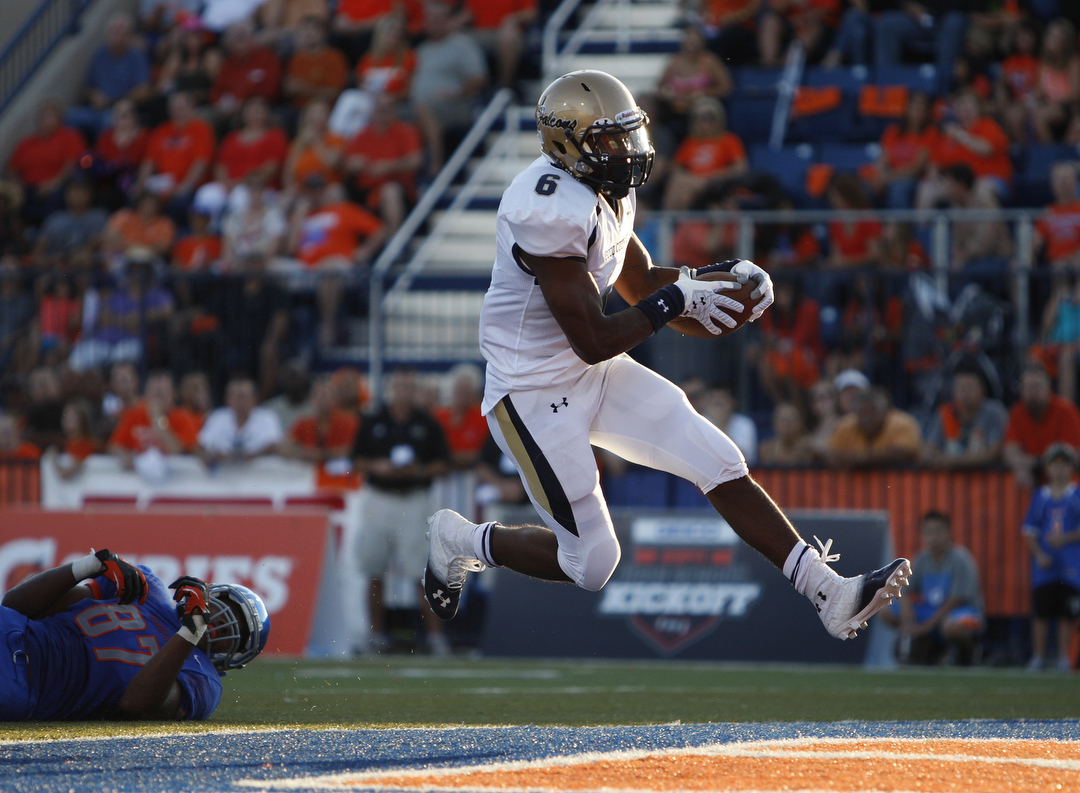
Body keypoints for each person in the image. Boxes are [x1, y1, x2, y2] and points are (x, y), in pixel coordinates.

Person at [419, 69, 910, 645]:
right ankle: (461, 540)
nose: (626, 151)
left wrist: (721, 282)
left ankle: (829, 593)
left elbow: (642, 284)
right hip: (529, 394)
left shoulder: (607, 194)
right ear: (567, 143)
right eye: (609, 139)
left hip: (588, 372)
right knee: (593, 562)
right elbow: (597, 335)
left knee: (717, 456)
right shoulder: (543, 207)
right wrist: (681, 296)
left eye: (628, 135)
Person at [0, 548, 269, 720]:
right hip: (12, 626)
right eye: (228, 608)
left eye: (239, 631)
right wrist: (88, 566)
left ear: (235, 655)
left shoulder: (205, 681)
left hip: (26, 682)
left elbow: (137, 703)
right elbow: (17, 605)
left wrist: (191, 633)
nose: (225, 621)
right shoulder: (147, 589)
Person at [352, 368, 452, 656]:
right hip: (379, 498)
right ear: (392, 389)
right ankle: (375, 635)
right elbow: (356, 460)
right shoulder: (373, 421)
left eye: (410, 387)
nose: (404, 392)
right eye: (400, 386)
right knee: (373, 569)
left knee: (422, 571)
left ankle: (435, 638)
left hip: (414, 498)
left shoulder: (428, 424)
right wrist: (378, 466)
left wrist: (418, 470)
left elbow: (443, 464)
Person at [884, 510, 985, 666]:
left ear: (949, 533)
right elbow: (903, 590)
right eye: (928, 532)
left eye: (938, 531)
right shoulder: (921, 559)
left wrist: (925, 627)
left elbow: (956, 600)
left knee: (950, 626)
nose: (933, 537)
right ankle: (925, 646)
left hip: (961, 612)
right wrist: (907, 616)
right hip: (932, 612)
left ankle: (969, 652)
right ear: (922, 535)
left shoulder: (961, 559)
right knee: (886, 611)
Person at [1022, 442, 1080, 672]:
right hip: (1045, 566)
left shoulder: (1076, 495)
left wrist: (1065, 538)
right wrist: (1039, 554)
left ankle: (1064, 657)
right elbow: (1029, 530)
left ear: (1071, 467)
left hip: (1071, 565)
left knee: (1066, 614)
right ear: (1047, 468)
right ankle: (1038, 656)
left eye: (1063, 465)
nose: (1059, 470)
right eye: (1054, 464)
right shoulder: (1041, 496)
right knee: (1042, 613)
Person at [66, 12, 151, 139]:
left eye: (121, 32)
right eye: (114, 32)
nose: (117, 36)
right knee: (70, 115)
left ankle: (103, 156)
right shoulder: (99, 55)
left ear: (128, 36)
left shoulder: (136, 56)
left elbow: (144, 91)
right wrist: (94, 95)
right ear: (107, 34)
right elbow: (86, 88)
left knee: (108, 121)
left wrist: (115, 102)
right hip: (96, 108)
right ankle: (79, 157)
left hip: (121, 110)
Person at [1004, 361, 1080, 490]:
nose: (1032, 393)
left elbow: (1074, 453)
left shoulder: (1065, 410)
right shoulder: (1017, 412)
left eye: (1037, 387)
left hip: (1067, 486)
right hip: (1033, 487)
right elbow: (1010, 450)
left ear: (1048, 388)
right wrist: (1020, 466)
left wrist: (1035, 462)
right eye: (1028, 387)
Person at [108, 370, 201, 469]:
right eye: (154, 394)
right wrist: (124, 456)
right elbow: (114, 446)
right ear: (146, 395)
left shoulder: (183, 417)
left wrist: (157, 418)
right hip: (138, 477)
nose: (157, 400)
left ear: (173, 395)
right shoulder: (135, 414)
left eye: (161, 394)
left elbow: (176, 452)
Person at [922, 363, 1008, 469]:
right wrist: (936, 457)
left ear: (982, 391)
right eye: (960, 387)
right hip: (951, 481)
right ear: (954, 392)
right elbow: (928, 450)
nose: (964, 393)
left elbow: (995, 452)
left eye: (969, 387)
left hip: (984, 480)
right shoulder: (946, 412)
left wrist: (956, 462)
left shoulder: (994, 412)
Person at [826, 386, 922, 469]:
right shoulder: (845, 425)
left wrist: (860, 459)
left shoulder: (902, 423)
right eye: (863, 412)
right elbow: (832, 455)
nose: (868, 417)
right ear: (856, 414)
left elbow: (905, 452)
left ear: (885, 411)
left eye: (873, 411)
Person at [198, 375, 284, 465]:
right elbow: (202, 445)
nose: (240, 401)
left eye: (243, 396)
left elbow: (274, 445)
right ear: (227, 399)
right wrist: (214, 456)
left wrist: (248, 457)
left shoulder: (267, 417)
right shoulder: (218, 417)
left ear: (254, 399)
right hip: (224, 472)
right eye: (236, 396)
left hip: (258, 474)